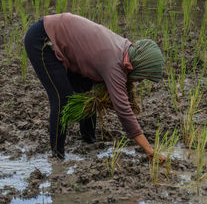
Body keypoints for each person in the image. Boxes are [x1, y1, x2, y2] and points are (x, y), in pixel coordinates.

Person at [24, 13, 164, 160]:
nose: (140, 81)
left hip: (64, 42)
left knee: (89, 93)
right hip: (43, 40)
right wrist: (149, 150)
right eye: (143, 76)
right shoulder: (114, 64)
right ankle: (57, 157)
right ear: (139, 66)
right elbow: (123, 111)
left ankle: (89, 141)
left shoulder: (125, 49)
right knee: (61, 99)